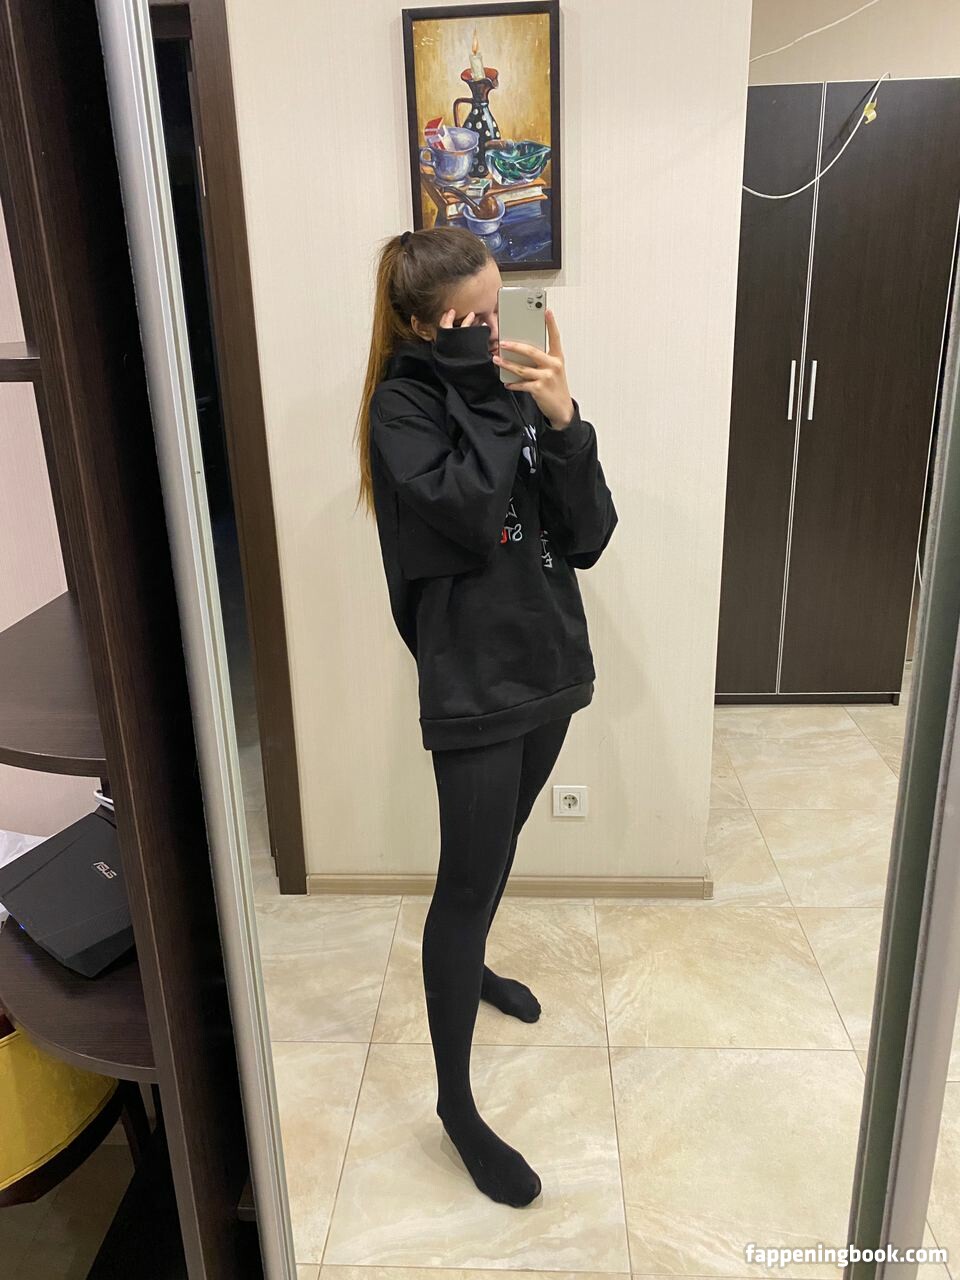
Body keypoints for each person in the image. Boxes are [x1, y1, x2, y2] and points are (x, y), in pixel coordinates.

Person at [353, 225, 618, 1209]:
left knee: (497, 847)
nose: (490, 330)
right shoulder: (404, 404)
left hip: (548, 660)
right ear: (424, 326)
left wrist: (565, 417)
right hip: (471, 681)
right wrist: (494, 400)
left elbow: (586, 536)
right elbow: (468, 514)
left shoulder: (518, 393)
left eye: (496, 306)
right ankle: (456, 1105)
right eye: (467, 318)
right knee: (463, 887)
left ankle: (476, 972)